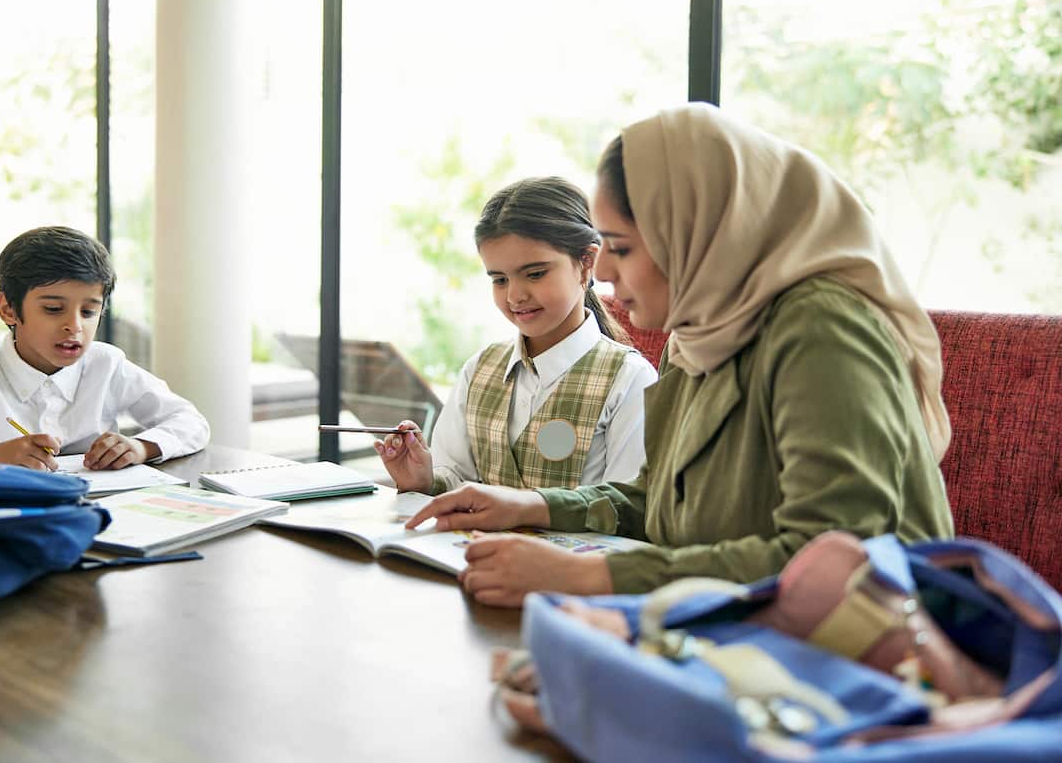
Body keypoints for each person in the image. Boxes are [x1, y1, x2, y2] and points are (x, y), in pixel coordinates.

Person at [406, 104, 956, 607]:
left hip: (868, 654)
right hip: (731, 626)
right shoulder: (695, 338)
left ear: (695, 229)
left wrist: (586, 577)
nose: (610, 275)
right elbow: (657, 502)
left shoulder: (822, 329)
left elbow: (834, 559)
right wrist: (531, 506)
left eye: (621, 248)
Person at [374, 177, 658, 495]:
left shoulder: (630, 380)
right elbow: (454, 473)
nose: (515, 296)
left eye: (535, 274)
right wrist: (424, 480)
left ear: (586, 262)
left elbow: (625, 508)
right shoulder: (479, 368)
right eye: (499, 279)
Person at [0, 226, 210, 470]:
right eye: (53, 309)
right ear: (8, 309)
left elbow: (190, 421)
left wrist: (141, 446)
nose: (74, 326)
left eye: (89, 311)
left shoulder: (107, 364)